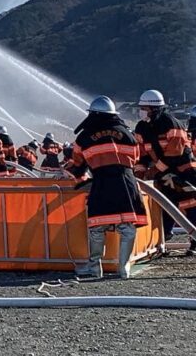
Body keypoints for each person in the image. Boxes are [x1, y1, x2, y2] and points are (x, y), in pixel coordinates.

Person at [71, 96, 147, 279]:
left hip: (101, 182)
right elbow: (136, 157)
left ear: (93, 114)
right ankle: (124, 268)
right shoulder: (127, 133)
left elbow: (77, 164)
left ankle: (95, 269)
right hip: (126, 182)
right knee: (127, 227)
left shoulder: (84, 136)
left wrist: (80, 181)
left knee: (97, 226)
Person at [136, 90, 196, 255]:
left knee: (190, 205)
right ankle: (163, 238)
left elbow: (175, 153)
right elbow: (142, 154)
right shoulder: (142, 127)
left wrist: (154, 170)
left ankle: (195, 241)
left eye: (144, 108)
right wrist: (139, 173)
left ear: (154, 108)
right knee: (165, 205)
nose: (141, 111)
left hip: (184, 172)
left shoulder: (171, 124)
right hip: (163, 174)